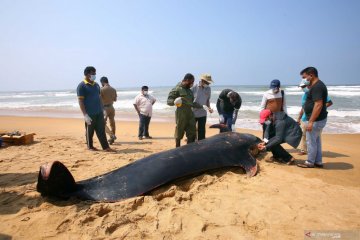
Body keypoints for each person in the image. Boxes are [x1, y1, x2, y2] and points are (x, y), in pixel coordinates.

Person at [297, 67, 328, 168]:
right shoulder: (316, 85)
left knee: (310, 142)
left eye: (304, 77)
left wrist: (311, 121)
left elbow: (318, 104)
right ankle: (318, 161)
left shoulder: (317, 87)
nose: (304, 79)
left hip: (315, 120)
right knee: (316, 141)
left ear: (311, 75)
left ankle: (310, 162)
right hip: (319, 119)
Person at [77, 66, 114, 152]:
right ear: (87, 74)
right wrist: (85, 115)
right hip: (89, 113)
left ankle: (106, 147)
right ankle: (90, 147)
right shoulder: (82, 86)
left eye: (95, 73)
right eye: (93, 73)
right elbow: (80, 101)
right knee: (90, 131)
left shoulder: (96, 85)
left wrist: (103, 109)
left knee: (101, 130)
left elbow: (99, 97)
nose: (94, 75)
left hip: (99, 112)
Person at [167, 73, 205, 147]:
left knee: (192, 132)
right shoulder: (177, 89)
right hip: (181, 113)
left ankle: (189, 148)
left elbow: (191, 103)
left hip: (190, 113)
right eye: (192, 82)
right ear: (187, 80)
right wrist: (175, 101)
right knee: (179, 131)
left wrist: (201, 106)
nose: (192, 83)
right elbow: (169, 101)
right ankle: (177, 147)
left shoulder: (189, 91)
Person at [297, 79, 333, 155]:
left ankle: (313, 156)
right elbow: (303, 107)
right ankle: (303, 150)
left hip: (315, 119)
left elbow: (329, 102)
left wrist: (320, 109)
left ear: (308, 85)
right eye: (302, 87)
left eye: (304, 86)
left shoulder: (317, 92)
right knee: (303, 135)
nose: (303, 88)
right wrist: (299, 118)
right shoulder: (304, 95)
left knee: (314, 138)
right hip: (304, 118)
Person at [191, 74, 214, 140]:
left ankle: (200, 146)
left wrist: (209, 108)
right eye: (207, 82)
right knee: (192, 132)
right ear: (202, 81)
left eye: (209, 83)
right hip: (193, 113)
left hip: (203, 114)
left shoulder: (208, 89)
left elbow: (207, 100)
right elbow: (189, 99)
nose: (208, 84)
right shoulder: (194, 87)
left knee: (202, 132)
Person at [100, 76, 117, 145]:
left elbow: (99, 100)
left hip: (105, 108)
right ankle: (112, 138)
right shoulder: (113, 89)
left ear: (102, 82)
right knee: (112, 123)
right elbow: (115, 100)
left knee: (102, 123)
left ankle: (111, 135)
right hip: (111, 107)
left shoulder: (101, 89)